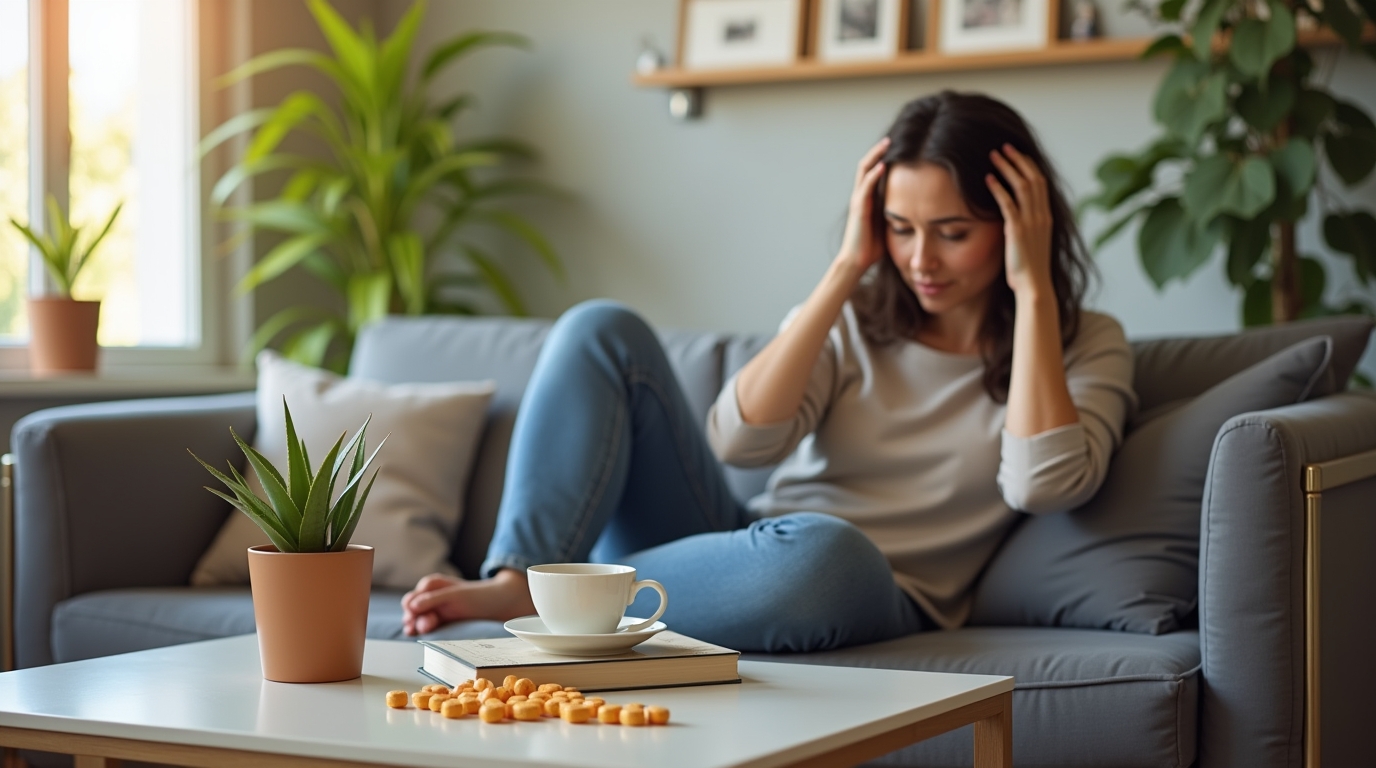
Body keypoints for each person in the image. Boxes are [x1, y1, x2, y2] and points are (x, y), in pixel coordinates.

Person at [401, 91, 1136, 652]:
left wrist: (1033, 288)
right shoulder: (856, 319)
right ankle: (520, 583)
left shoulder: (1084, 343)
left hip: (856, 585)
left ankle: (560, 598)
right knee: (601, 328)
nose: (920, 261)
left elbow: (1042, 484)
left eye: (953, 233)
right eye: (901, 229)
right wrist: (847, 268)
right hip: (742, 549)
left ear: (1018, 224)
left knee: (826, 552)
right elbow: (738, 444)